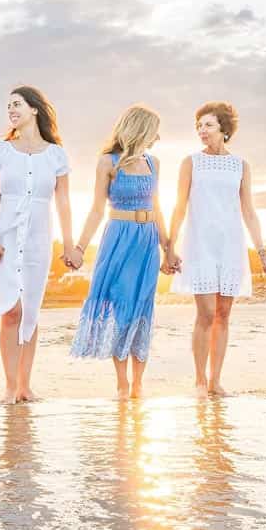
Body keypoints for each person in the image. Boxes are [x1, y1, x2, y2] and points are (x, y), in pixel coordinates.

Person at [0, 86, 80, 403]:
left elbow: (63, 202)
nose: (11, 110)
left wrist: (69, 245)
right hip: (5, 239)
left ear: (35, 109)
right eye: (8, 106)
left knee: (30, 312)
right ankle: (9, 385)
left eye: (16, 104)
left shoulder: (56, 154)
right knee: (10, 310)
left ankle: (24, 385)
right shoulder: (1, 151)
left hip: (38, 239)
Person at [167, 101, 266, 397]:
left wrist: (262, 251)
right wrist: (169, 245)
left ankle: (216, 380)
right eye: (199, 126)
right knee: (205, 313)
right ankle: (199, 380)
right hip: (199, 243)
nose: (202, 131)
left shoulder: (240, 165)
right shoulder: (191, 162)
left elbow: (249, 211)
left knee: (223, 313)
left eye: (208, 125)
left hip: (230, 243)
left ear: (224, 129)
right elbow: (179, 206)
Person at [69, 104, 175, 400]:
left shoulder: (154, 163)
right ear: (140, 128)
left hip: (148, 241)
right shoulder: (108, 162)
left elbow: (158, 206)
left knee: (143, 306)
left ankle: (138, 383)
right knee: (121, 305)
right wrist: (79, 247)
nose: (158, 136)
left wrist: (168, 247)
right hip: (118, 238)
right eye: (154, 129)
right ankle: (121, 383)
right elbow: (95, 209)